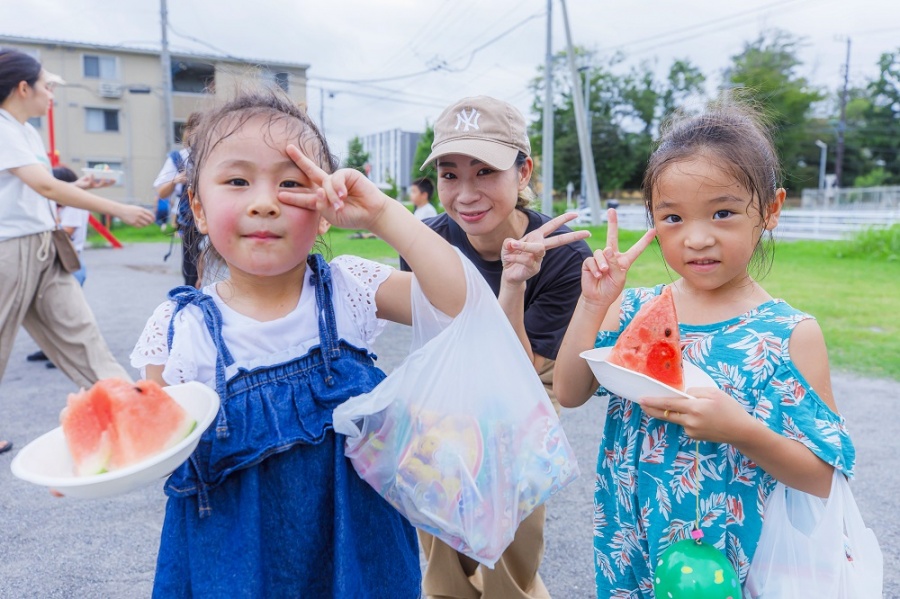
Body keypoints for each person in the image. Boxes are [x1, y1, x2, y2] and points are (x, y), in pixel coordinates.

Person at [129, 87, 467, 597]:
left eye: (291, 183)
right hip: (236, 568)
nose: (265, 203)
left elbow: (458, 301)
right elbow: (150, 444)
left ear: (325, 209)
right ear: (198, 208)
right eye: (237, 181)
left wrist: (381, 214)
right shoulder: (180, 329)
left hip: (358, 557)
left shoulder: (349, 290)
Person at [553, 102, 855, 596]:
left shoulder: (789, 334)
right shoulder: (635, 310)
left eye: (723, 213)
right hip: (631, 539)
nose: (696, 238)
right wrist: (592, 305)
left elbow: (823, 475)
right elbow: (568, 392)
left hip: (734, 558)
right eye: (672, 217)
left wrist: (741, 431)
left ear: (771, 209)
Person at [401, 95, 593, 599]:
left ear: (523, 172)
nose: (466, 193)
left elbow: (520, 374)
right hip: (450, 377)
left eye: (485, 171)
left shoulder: (563, 256)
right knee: (441, 519)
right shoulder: (427, 243)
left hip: (527, 380)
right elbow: (436, 348)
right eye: (450, 174)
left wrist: (514, 283)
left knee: (507, 510)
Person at [0, 48, 154, 456]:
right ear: (22, 88)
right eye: (46, 87)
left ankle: (135, 413)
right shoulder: (2, 128)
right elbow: (45, 186)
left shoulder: (26, 132)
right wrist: (119, 208)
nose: (51, 95)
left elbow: (38, 191)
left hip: (45, 244)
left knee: (83, 333)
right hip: (8, 250)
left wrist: (82, 186)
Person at [26, 165, 89, 369]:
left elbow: (65, 232)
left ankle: (67, 356)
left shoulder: (74, 205)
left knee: (66, 314)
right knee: (50, 311)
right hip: (59, 262)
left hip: (68, 263)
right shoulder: (63, 205)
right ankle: (49, 350)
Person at [153, 112, 201, 287]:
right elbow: (162, 192)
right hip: (191, 220)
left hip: (219, 214)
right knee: (191, 269)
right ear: (189, 132)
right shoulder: (179, 158)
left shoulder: (220, 154)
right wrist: (176, 180)